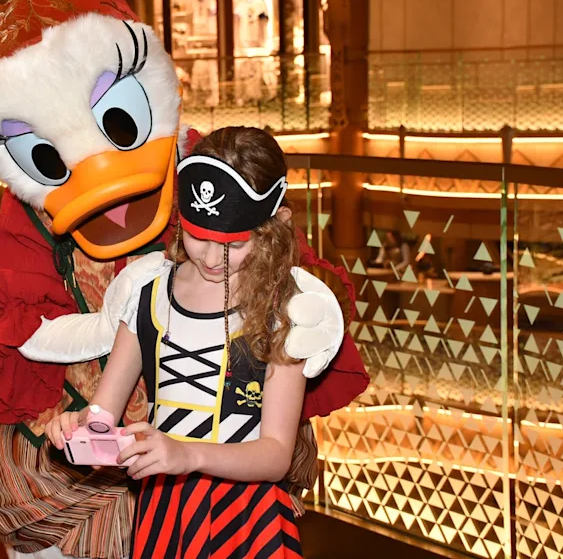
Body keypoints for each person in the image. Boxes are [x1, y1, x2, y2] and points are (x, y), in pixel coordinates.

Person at [45, 127, 347, 558]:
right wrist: (77, 430)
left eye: (234, 244)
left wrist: (188, 455)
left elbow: (276, 453)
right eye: (197, 235)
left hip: (248, 518)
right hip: (166, 512)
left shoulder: (285, 310)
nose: (209, 257)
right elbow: (102, 415)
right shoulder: (148, 295)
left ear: (274, 228)